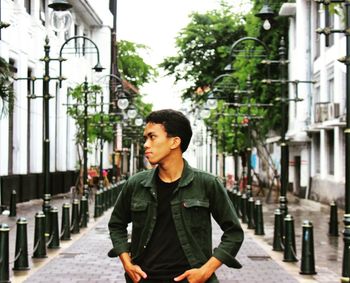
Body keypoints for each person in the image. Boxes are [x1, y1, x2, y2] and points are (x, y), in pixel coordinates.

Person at [108, 109, 244, 283]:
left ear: (174, 142)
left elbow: (234, 233)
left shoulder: (207, 183)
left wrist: (205, 271)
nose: (146, 145)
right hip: (144, 279)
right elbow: (116, 224)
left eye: (152, 137)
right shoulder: (136, 184)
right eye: (145, 138)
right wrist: (127, 263)